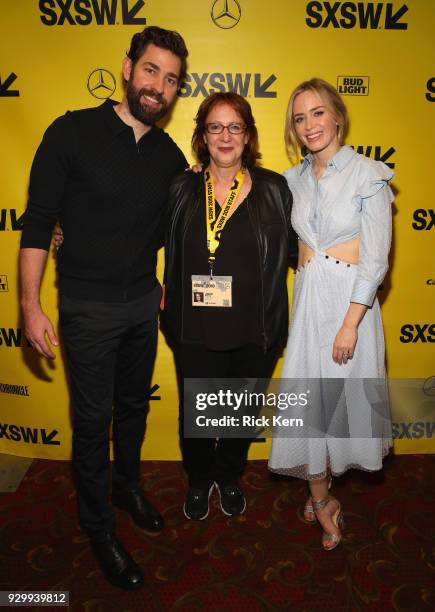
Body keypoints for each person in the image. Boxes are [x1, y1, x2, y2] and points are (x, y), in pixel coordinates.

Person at [19, 26, 188, 590]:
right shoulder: (71, 131)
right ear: (127, 67)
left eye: (170, 79)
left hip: (143, 304)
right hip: (86, 308)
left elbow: (176, 233)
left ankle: (128, 487)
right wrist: (29, 305)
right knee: (93, 424)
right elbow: (40, 222)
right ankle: (97, 528)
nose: (158, 86)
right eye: (150, 71)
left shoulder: (170, 156)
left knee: (133, 408)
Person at [268, 78, 394, 550]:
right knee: (309, 407)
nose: (309, 125)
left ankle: (323, 493)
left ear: (338, 116)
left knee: (338, 408)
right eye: (299, 118)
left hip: (350, 308)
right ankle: (321, 498)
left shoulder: (368, 174)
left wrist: (349, 323)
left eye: (317, 113)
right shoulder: (291, 179)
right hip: (307, 303)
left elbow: (377, 258)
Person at [162, 92, 298, 521]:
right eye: (215, 127)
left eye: (234, 127)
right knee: (198, 414)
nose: (225, 136)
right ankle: (200, 479)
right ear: (203, 135)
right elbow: (137, 232)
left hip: (254, 327)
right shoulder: (183, 186)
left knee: (240, 413)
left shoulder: (276, 189)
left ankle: (230, 475)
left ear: (248, 135)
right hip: (196, 325)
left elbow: (304, 250)